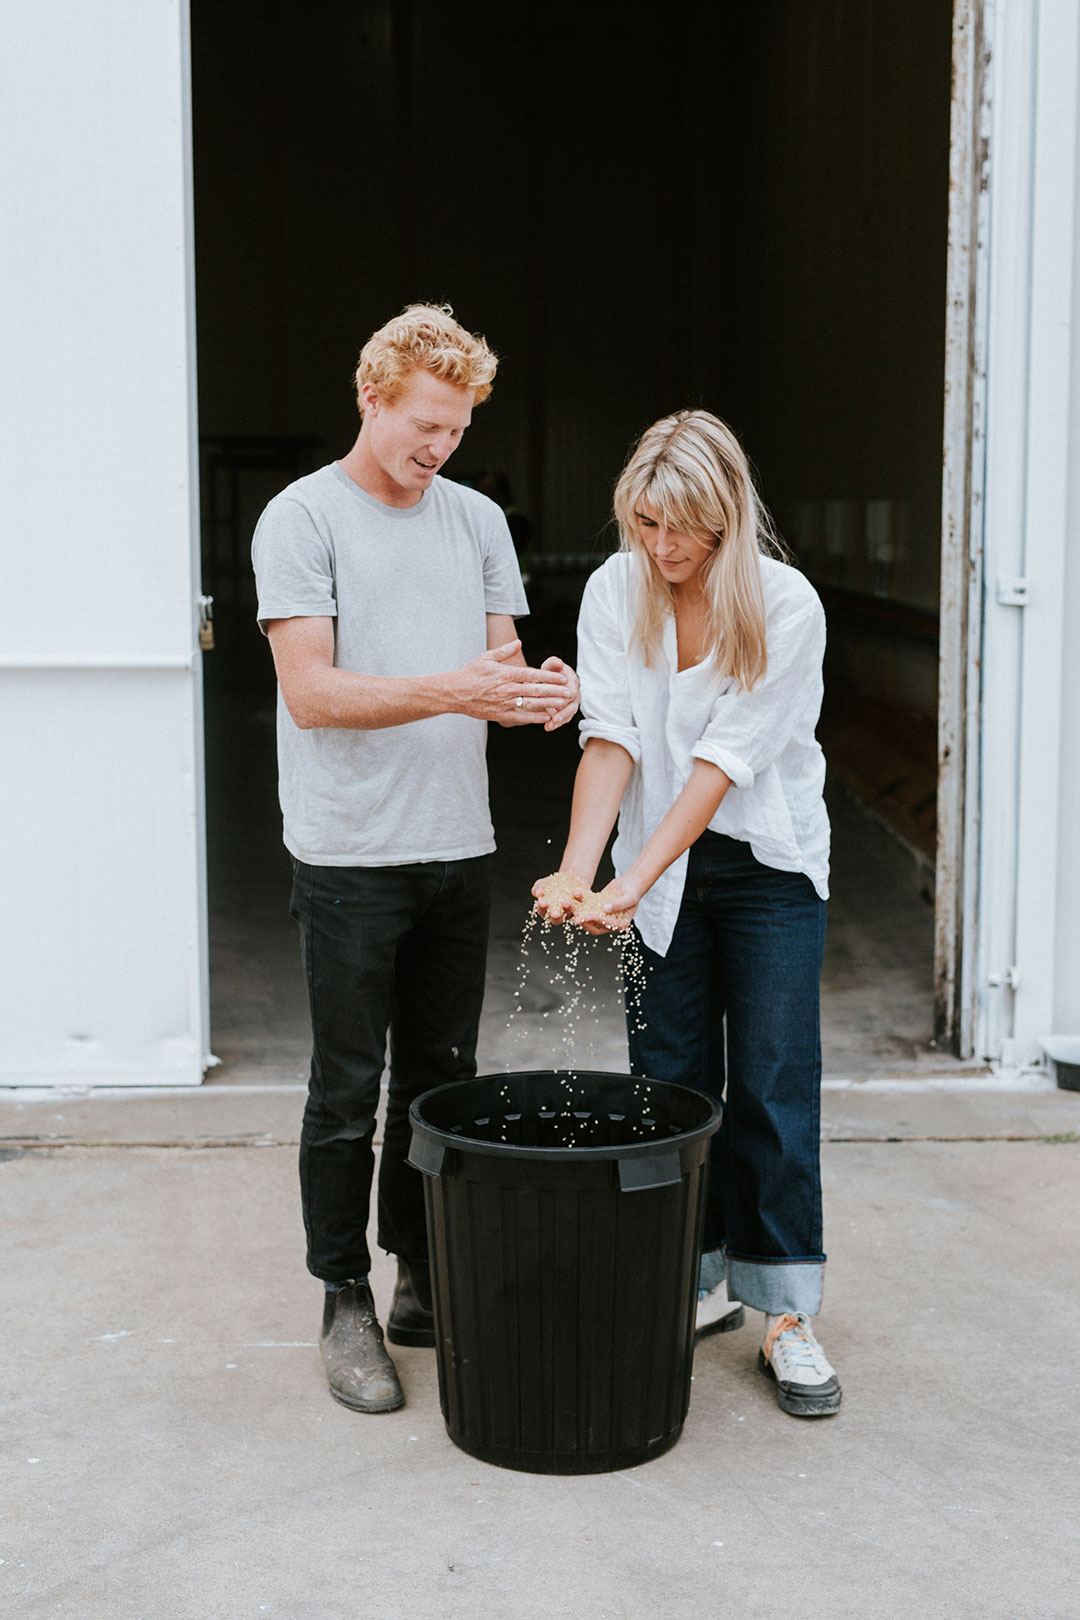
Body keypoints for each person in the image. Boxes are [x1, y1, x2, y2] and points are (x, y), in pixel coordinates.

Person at [252, 304, 579, 1415]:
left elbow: (505, 663)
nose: (437, 448)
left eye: (455, 429)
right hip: (348, 852)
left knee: (441, 1082)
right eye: (423, 424)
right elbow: (311, 694)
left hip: (455, 842)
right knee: (347, 1087)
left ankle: (421, 1278)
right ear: (371, 396)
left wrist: (546, 692)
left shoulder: (478, 520)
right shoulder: (302, 520)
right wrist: (458, 686)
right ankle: (341, 1297)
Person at [532, 409, 840, 1419]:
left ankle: (787, 1314)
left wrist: (632, 876)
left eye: (687, 528)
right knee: (667, 1083)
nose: (665, 548)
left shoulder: (785, 605)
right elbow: (611, 738)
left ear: (728, 514)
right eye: (648, 522)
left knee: (772, 1085)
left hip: (767, 868)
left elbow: (721, 767)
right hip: (652, 870)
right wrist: (580, 872)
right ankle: (694, 1278)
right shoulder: (616, 589)